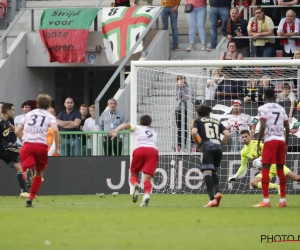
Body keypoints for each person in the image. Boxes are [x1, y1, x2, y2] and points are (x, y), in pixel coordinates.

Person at [15, 94, 59, 207]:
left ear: (37, 104)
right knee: (39, 174)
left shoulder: (29, 114)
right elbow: (55, 130)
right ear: (49, 106)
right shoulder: (49, 116)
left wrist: (24, 141)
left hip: (27, 145)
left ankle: (27, 171)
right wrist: (57, 148)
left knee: (25, 167)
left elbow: (17, 130)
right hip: (40, 145)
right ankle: (30, 199)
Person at [109, 115, 158, 207]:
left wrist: (116, 131)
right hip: (153, 150)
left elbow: (125, 124)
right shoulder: (154, 132)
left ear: (140, 122)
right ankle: (146, 195)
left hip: (140, 149)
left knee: (134, 175)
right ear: (150, 124)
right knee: (147, 179)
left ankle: (136, 184)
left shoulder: (137, 127)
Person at [228, 129, 300, 192]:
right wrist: (235, 176)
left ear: (250, 136)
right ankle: (278, 186)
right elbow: (243, 166)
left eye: (246, 136)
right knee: (254, 183)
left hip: (275, 164)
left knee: (296, 178)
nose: (244, 138)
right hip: (266, 169)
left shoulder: (258, 144)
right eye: (242, 137)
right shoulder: (243, 151)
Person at [254, 88, 290, 207]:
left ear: (264, 96)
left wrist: (259, 143)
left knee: (265, 168)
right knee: (280, 169)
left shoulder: (262, 108)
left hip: (270, 140)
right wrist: (286, 144)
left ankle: (266, 201)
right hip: (281, 140)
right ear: (274, 96)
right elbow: (287, 127)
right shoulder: (281, 108)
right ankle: (282, 200)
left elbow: (263, 126)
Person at [192, 104, 230, 207]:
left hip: (207, 147)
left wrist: (198, 144)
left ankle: (212, 199)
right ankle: (218, 192)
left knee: (207, 172)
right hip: (218, 148)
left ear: (198, 114)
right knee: (213, 172)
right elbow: (227, 134)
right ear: (209, 113)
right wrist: (222, 144)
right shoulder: (217, 121)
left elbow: (194, 132)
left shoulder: (198, 121)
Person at [0, 103, 29, 198]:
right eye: (12, 110)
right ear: (8, 111)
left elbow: (15, 130)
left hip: (4, 149)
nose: (13, 112)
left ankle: (23, 191)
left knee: (19, 167)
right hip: (3, 148)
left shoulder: (6, 122)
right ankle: (32, 177)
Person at [175, 75, 195, 152]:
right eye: (179, 79)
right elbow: (177, 97)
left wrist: (189, 97)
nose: (181, 80)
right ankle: (179, 145)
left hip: (187, 109)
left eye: (182, 78)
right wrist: (180, 88)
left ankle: (186, 145)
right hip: (179, 109)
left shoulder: (189, 87)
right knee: (179, 128)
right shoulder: (177, 87)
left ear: (185, 79)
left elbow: (193, 98)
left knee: (187, 127)